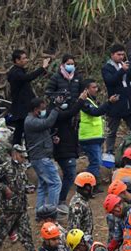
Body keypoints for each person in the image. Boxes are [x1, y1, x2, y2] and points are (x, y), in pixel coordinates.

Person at [0, 145, 36, 251]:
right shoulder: (5, 167)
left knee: (26, 233)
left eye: (24, 157)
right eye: (21, 156)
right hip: (9, 208)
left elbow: (21, 184)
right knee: (1, 232)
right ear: (14, 154)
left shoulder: (22, 167)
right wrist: (4, 188)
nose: (23, 159)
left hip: (21, 207)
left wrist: (28, 188)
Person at [46, 54, 83, 207]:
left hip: (73, 117)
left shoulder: (77, 78)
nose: (70, 66)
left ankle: (59, 199)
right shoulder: (56, 78)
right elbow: (48, 93)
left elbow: (81, 92)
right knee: (68, 172)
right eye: (68, 63)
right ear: (62, 64)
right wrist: (59, 101)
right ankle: (59, 200)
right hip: (63, 117)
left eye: (73, 63)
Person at [77, 80, 119, 188]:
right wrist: (109, 102)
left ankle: (91, 184)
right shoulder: (84, 102)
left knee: (95, 161)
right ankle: (89, 184)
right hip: (88, 137)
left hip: (94, 137)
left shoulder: (92, 101)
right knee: (96, 162)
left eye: (97, 87)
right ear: (86, 89)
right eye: (93, 87)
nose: (96, 89)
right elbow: (95, 112)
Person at [24, 97, 62, 211]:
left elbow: (42, 132)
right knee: (55, 183)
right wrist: (57, 108)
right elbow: (48, 123)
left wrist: (51, 139)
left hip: (39, 157)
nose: (43, 111)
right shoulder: (31, 121)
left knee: (43, 186)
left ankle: (40, 212)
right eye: (42, 108)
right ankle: (51, 212)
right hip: (41, 158)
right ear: (36, 109)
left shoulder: (34, 119)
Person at [102, 43, 131, 153]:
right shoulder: (107, 68)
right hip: (116, 102)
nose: (121, 57)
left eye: (123, 55)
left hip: (128, 102)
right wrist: (122, 70)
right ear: (112, 55)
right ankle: (109, 152)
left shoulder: (124, 65)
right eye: (118, 55)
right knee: (112, 131)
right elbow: (110, 81)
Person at [7, 49, 50, 145]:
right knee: (20, 130)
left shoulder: (19, 71)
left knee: (23, 131)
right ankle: (17, 150)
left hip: (25, 106)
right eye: (24, 58)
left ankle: (22, 149)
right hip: (21, 108)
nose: (27, 60)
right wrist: (42, 68)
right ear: (17, 60)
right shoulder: (15, 73)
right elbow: (28, 78)